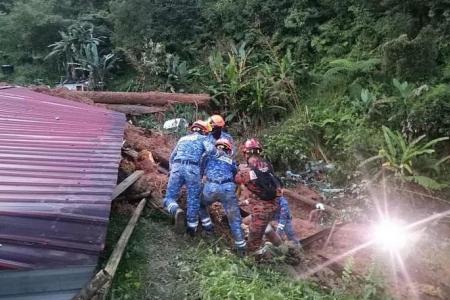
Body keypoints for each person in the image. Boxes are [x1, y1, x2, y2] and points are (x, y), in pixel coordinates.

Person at [163, 120, 213, 236]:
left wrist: (172, 170)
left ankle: (176, 210)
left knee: (168, 198)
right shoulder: (205, 140)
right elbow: (209, 157)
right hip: (192, 169)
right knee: (193, 199)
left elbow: (171, 157)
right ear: (204, 131)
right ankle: (191, 229)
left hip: (176, 167)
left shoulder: (182, 139)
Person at [234, 138, 282, 256]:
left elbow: (237, 179)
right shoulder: (268, 165)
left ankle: (262, 261)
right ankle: (282, 248)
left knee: (253, 245)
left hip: (261, 211)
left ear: (246, 153)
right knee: (250, 223)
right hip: (274, 205)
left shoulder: (245, 171)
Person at [199, 138, 246, 255]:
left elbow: (201, 171)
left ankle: (208, 228)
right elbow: (236, 177)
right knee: (234, 219)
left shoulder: (208, 156)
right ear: (228, 149)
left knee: (199, 204)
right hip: (228, 189)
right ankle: (241, 249)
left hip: (211, 187)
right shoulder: (231, 161)